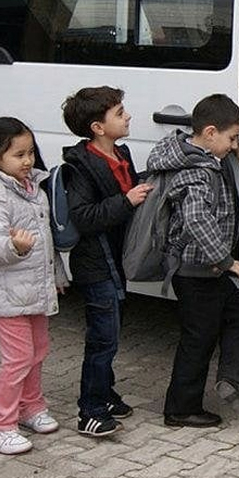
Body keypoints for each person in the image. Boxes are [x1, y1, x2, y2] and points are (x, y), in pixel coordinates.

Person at [148, 94, 239, 427]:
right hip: (197, 269)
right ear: (210, 133)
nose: (233, 145)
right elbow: (197, 220)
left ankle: (233, 380)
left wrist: (236, 146)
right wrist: (225, 260)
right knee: (198, 338)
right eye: (231, 139)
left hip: (205, 268)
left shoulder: (200, 154)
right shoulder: (196, 172)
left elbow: (219, 146)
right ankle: (181, 409)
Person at [0, 117, 67, 455]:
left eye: (30, 153)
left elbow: (47, 239)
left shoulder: (32, 186)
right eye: (18, 155)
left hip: (34, 288)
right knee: (18, 358)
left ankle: (30, 406)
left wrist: (58, 276)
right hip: (5, 293)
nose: (27, 161)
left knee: (37, 351)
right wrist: (14, 247)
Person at [61, 86, 153, 437]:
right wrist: (128, 201)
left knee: (111, 333)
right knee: (102, 339)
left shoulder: (121, 154)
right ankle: (90, 411)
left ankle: (108, 395)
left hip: (116, 262)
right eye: (119, 113)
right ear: (98, 127)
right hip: (95, 265)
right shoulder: (81, 165)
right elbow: (84, 216)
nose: (127, 116)